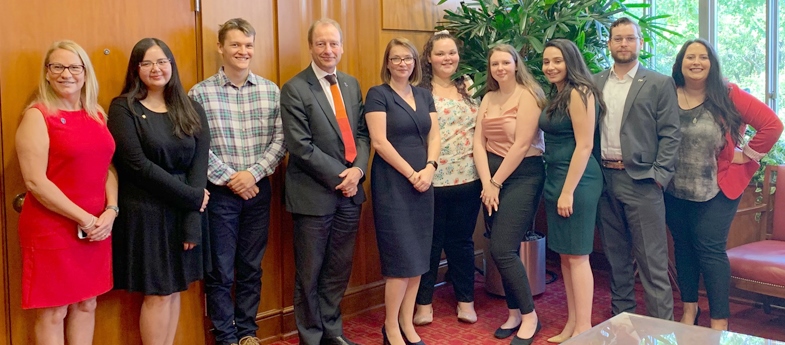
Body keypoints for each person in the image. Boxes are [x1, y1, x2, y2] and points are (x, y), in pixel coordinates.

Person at [666, 38, 783, 331]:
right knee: (682, 247)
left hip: (718, 188)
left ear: (712, 63)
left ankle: (720, 321)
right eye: (689, 57)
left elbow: (772, 124)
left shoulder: (727, 94)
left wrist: (749, 155)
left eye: (703, 57)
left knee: (709, 249)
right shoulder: (667, 93)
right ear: (680, 63)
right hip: (675, 187)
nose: (696, 62)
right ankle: (690, 310)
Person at [188, 18, 285, 345]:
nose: (242, 51)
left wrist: (253, 174)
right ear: (221, 47)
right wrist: (232, 178)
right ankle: (225, 336)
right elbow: (199, 148)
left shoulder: (271, 90)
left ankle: (247, 333)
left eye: (247, 45)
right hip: (220, 195)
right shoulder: (199, 93)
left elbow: (280, 140)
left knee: (251, 267)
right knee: (220, 272)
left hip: (259, 191)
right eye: (235, 45)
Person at [108, 38, 210, 345]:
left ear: (172, 65)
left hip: (183, 212)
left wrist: (193, 219)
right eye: (147, 63)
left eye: (162, 61)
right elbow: (137, 166)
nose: (156, 69)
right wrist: (192, 197)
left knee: (175, 289)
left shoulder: (192, 108)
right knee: (158, 293)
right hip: (145, 210)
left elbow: (198, 166)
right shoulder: (123, 108)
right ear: (136, 69)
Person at [16, 40, 116, 345]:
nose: (66, 74)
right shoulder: (37, 115)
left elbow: (108, 168)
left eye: (74, 67)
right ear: (47, 73)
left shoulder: (96, 112)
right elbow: (35, 182)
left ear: (85, 73)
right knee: (53, 311)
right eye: (57, 67)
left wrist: (111, 210)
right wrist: (84, 218)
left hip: (96, 228)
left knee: (88, 303)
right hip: (53, 229)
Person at [280, 18, 369, 345]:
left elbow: (361, 134)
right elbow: (300, 147)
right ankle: (311, 337)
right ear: (311, 47)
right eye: (321, 43)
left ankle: (332, 331)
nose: (328, 49)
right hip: (313, 196)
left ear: (341, 47)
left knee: (338, 268)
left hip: (350, 194)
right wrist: (342, 177)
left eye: (333, 43)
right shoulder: (295, 88)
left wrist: (357, 172)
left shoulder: (350, 83)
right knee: (310, 272)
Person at [592, 17, 681, 320]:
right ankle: (623, 326)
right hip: (604, 180)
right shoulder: (595, 82)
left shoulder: (658, 83)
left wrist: (658, 176)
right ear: (609, 44)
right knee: (616, 263)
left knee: (652, 266)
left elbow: (671, 133)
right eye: (618, 38)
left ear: (640, 42)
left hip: (642, 182)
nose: (624, 44)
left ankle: (661, 333)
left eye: (630, 38)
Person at [365, 37, 439, 345]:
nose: (402, 64)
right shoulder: (377, 94)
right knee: (400, 260)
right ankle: (391, 327)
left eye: (407, 58)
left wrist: (430, 168)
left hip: (424, 182)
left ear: (415, 63)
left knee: (419, 258)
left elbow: (435, 135)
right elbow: (379, 143)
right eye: (395, 59)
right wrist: (412, 174)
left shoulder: (424, 95)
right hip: (393, 183)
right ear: (387, 63)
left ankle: (408, 324)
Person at [473, 43, 547, 345]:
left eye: (506, 62)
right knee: (500, 249)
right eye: (495, 64)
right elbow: (478, 142)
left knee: (503, 248)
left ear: (516, 64)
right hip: (491, 177)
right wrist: (486, 181)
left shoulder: (528, 95)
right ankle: (514, 312)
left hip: (522, 177)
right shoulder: (489, 97)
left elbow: (520, 145)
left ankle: (531, 317)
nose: (500, 68)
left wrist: (496, 183)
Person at [413, 30, 481, 326]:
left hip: (468, 178)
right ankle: (423, 303)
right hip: (431, 179)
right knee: (429, 243)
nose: (447, 58)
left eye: (451, 52)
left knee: (462, 242)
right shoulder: (417, 90)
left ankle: (466, 300)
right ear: (428, 57)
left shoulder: (470, 86)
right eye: (440, 53)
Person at [539, 39, 605, 343]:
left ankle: (584, 328)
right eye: (546, 61)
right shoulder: (558, 93)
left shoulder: (581, 92)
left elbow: (585, 145)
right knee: (566, 256)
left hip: (576, 181)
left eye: (557, 61)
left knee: (578, 256)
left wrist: (568, 192)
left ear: (571, 61)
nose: (550, 67)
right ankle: (572, 323)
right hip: (555, 177)